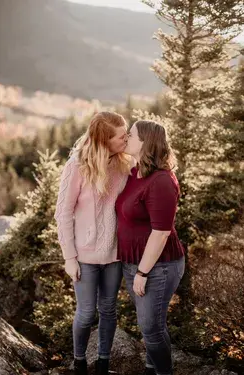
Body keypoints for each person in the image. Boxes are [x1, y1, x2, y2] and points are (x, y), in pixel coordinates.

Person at [54, 111, 131, 375]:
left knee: (109, 310)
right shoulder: (77, 165)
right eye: (122, 136)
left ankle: (103, 364)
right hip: (84, 257)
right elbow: (62, 212)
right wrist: (69, 257)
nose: (127, 139)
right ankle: (79, 364)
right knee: (86, 313)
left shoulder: (125, 164)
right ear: (104, 140)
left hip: (114, 254)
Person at [115, 120, 185, 375]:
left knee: (150, 327)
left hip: (159, 265)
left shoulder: (162, 181)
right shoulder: (135, 173)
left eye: (130, 135)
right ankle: (151, 368)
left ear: (145, 141)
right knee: (152, 323)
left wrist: (143, 273)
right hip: (133, 262)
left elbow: (162, 232)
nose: (126, 138)